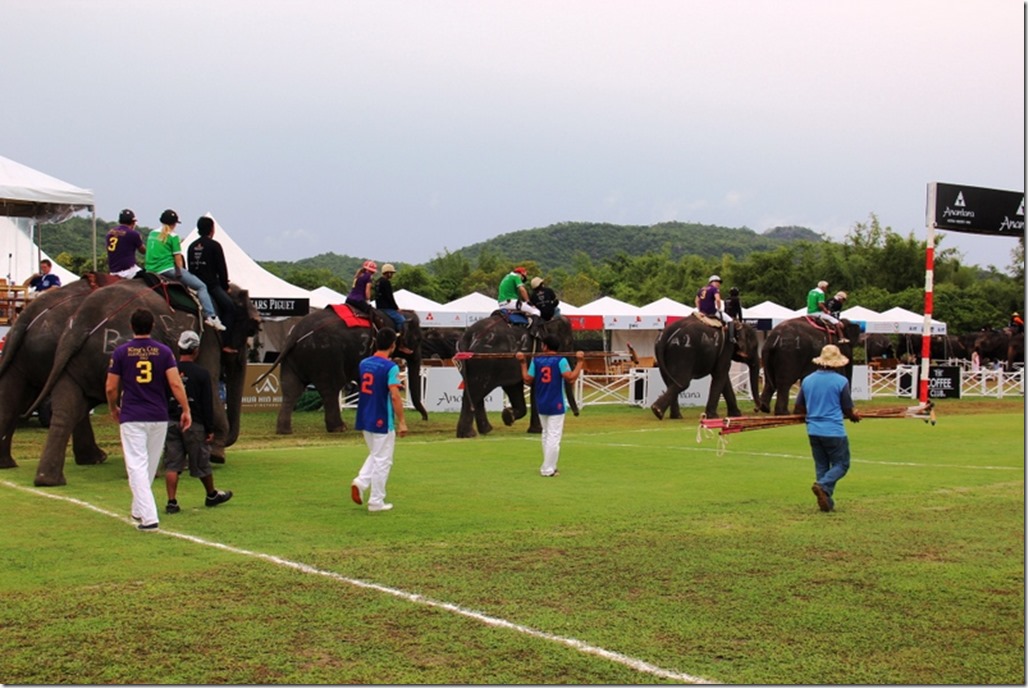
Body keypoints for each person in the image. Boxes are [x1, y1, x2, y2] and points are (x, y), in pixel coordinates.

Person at [105, 308, 191, 531]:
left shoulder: (121, 352)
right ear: (152, 326)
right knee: (149, 465)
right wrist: (185, 409)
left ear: (132, 327)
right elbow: (174, 383)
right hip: (158, 415)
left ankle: (149, 517)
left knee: (136, 466)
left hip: (133, 414)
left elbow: (111, 387)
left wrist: (113, 407)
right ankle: (138, 509)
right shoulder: (164, 352)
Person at [163, 330, 233, 515]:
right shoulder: (202, 374)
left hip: (170, 421)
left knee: (172, 464)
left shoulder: (169, 371)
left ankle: (171, 502)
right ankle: (211, 494)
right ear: (195, 350)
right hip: (194, 424)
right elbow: (207, 404)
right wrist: (210, 428)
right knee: (202, 461)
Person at [794, 344, 861, 513]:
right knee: (842, 464)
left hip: (813, 429)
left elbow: (799, 407)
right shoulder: (841, 381)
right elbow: (847, 408)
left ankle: (826, 500)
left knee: (822, 466)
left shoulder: (808, 380)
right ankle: (823, 486)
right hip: (833, 429)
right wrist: (853, 415)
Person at [350, 328, 408, 512]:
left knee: (376, 453)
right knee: (383, 459)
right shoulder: (390, 367)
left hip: (365, 415)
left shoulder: (364, 363)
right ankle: (376, 500)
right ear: (393, 345)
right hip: (382, 417)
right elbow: (395, 396)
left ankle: (361, 482)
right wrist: (402, 421)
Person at [144, 209, 225, 331]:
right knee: (201, 286)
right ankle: (211, 316)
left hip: (149, 270)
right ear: (174, 223)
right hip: (167, 269)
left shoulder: (152, 234)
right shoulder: (173, 236)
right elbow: (178, 258)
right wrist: (181, 272)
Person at [517, 336, 585, 477]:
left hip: (541, 402)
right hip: (556, 403)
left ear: (546, 346)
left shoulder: (536, 360)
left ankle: (551, 466)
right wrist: (580, 362)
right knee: (553, 436)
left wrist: (523, 363)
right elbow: (570, 378)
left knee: (546, 434)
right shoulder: (561, 360)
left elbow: (527, 379)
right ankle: (547, 469)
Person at [187, 216, 236, 351]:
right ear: (212, 229)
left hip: (193, 284)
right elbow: (222, 269)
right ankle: (226, 343)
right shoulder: (214, 245)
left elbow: (190, 269)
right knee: (230, 308)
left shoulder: (191, 246)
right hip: (211, 286)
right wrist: (225, 287)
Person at [373, 263, 413, 354]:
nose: (392, 275)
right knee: (402, 322)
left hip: (379, 308)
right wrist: (396, 308)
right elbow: (389, 297)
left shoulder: (377, 282)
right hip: (387, 308)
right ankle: (402, 345)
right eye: (391, 273)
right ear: (388, 273)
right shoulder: (386, 282)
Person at [106, 208, 146, 278]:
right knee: (150, 279)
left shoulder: (109, 233)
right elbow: (143, 251)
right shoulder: (133, 234)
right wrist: (139, 239)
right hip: (128, 271)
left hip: (113, 272)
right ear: (133, 222)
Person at [695, 275, 736, 343]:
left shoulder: (701, 289)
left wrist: (700, 310)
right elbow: (718, 300)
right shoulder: (714, 289)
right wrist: (719, 308)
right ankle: (731, 338)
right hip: (711, 312)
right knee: (730, 320)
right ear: (712, 282)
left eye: (719, 282)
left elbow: (696, 301)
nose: (719, 284)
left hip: (702, 312)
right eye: (717, 282)